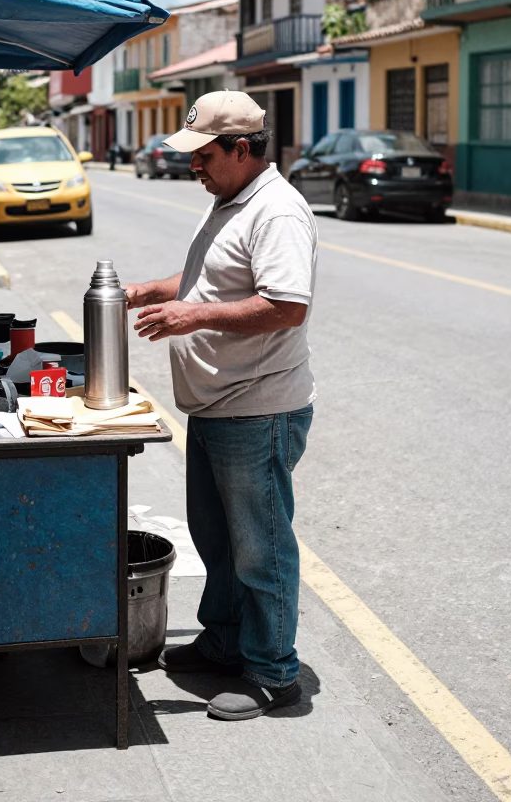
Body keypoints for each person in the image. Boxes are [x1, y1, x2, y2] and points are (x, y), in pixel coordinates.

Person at [125, 90, 317, 722]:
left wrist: (192, 316)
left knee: (261, 547)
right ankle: (226, 641)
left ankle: (271, 673)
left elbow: (285, 305)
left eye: (204, 155)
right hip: (216, 405)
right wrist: (146, 292)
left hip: (257, 408)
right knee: (219, 541)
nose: (194, 168)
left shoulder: (277, 212)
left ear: (241, 148)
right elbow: (210, 281)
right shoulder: (230, 201)